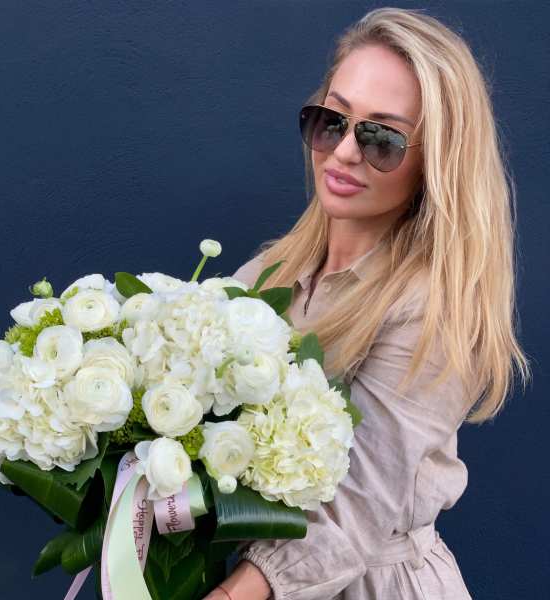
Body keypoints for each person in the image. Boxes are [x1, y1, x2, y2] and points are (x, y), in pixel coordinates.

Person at [202, 7, 530, 600]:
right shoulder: (266, 274)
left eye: (382, 138)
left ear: (438, 160)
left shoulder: (430, 309)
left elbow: (356, 509)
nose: (345, 152)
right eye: (333, 121)